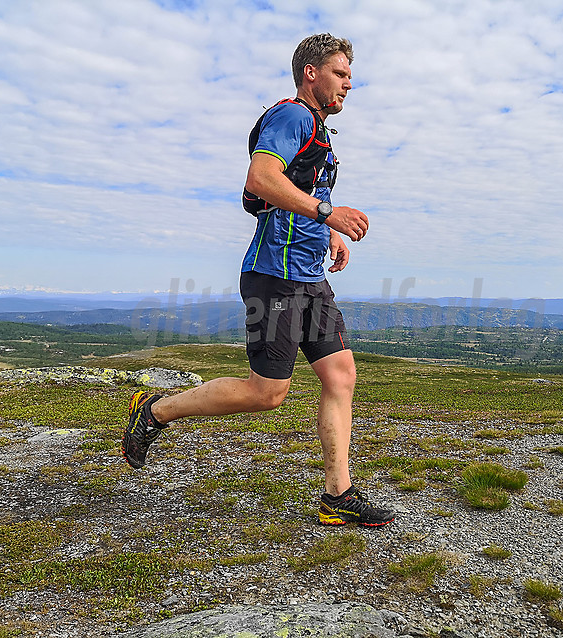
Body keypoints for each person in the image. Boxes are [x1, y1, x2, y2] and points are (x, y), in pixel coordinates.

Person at [121, 34, 395, 528]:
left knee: (340, 375)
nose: (349, 85)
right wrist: (329, 213)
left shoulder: (320, 131)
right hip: (273, 277)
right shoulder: (291, 116)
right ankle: (157, 411)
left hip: (310, 277)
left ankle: (338, 494)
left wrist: (327, 233)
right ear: (311, 72)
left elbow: (298, 194)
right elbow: (261, 179)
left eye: (350, 76)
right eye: (340, 73)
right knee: (267, 394)